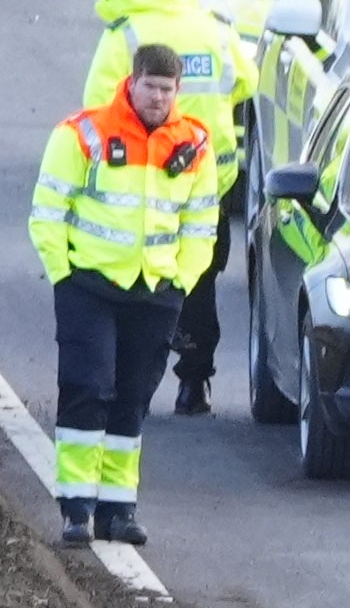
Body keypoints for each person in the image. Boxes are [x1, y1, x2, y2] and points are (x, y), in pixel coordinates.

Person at [29, 45, 220, 547]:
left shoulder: (195, 144)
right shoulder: (83, 133)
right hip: (88, 286)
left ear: (178, 90)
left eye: (167, 88)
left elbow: (202, 225)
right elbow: (47, 209)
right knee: (88, 389)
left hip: (155, 291)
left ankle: (119, 509)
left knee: (132, 400)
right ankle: (76, 508)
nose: (158, 97)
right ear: (131, 82)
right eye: (150, 86)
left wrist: (181, 279)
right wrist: (62, 274)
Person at [83, 0, 258, 418]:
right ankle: (194, 382)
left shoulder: (127, 36)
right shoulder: (215, 29)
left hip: (139, 187)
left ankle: (129, 385)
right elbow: (248, 80)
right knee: (198, 282)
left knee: (134, 283)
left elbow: (97, 106)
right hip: (207, 186)